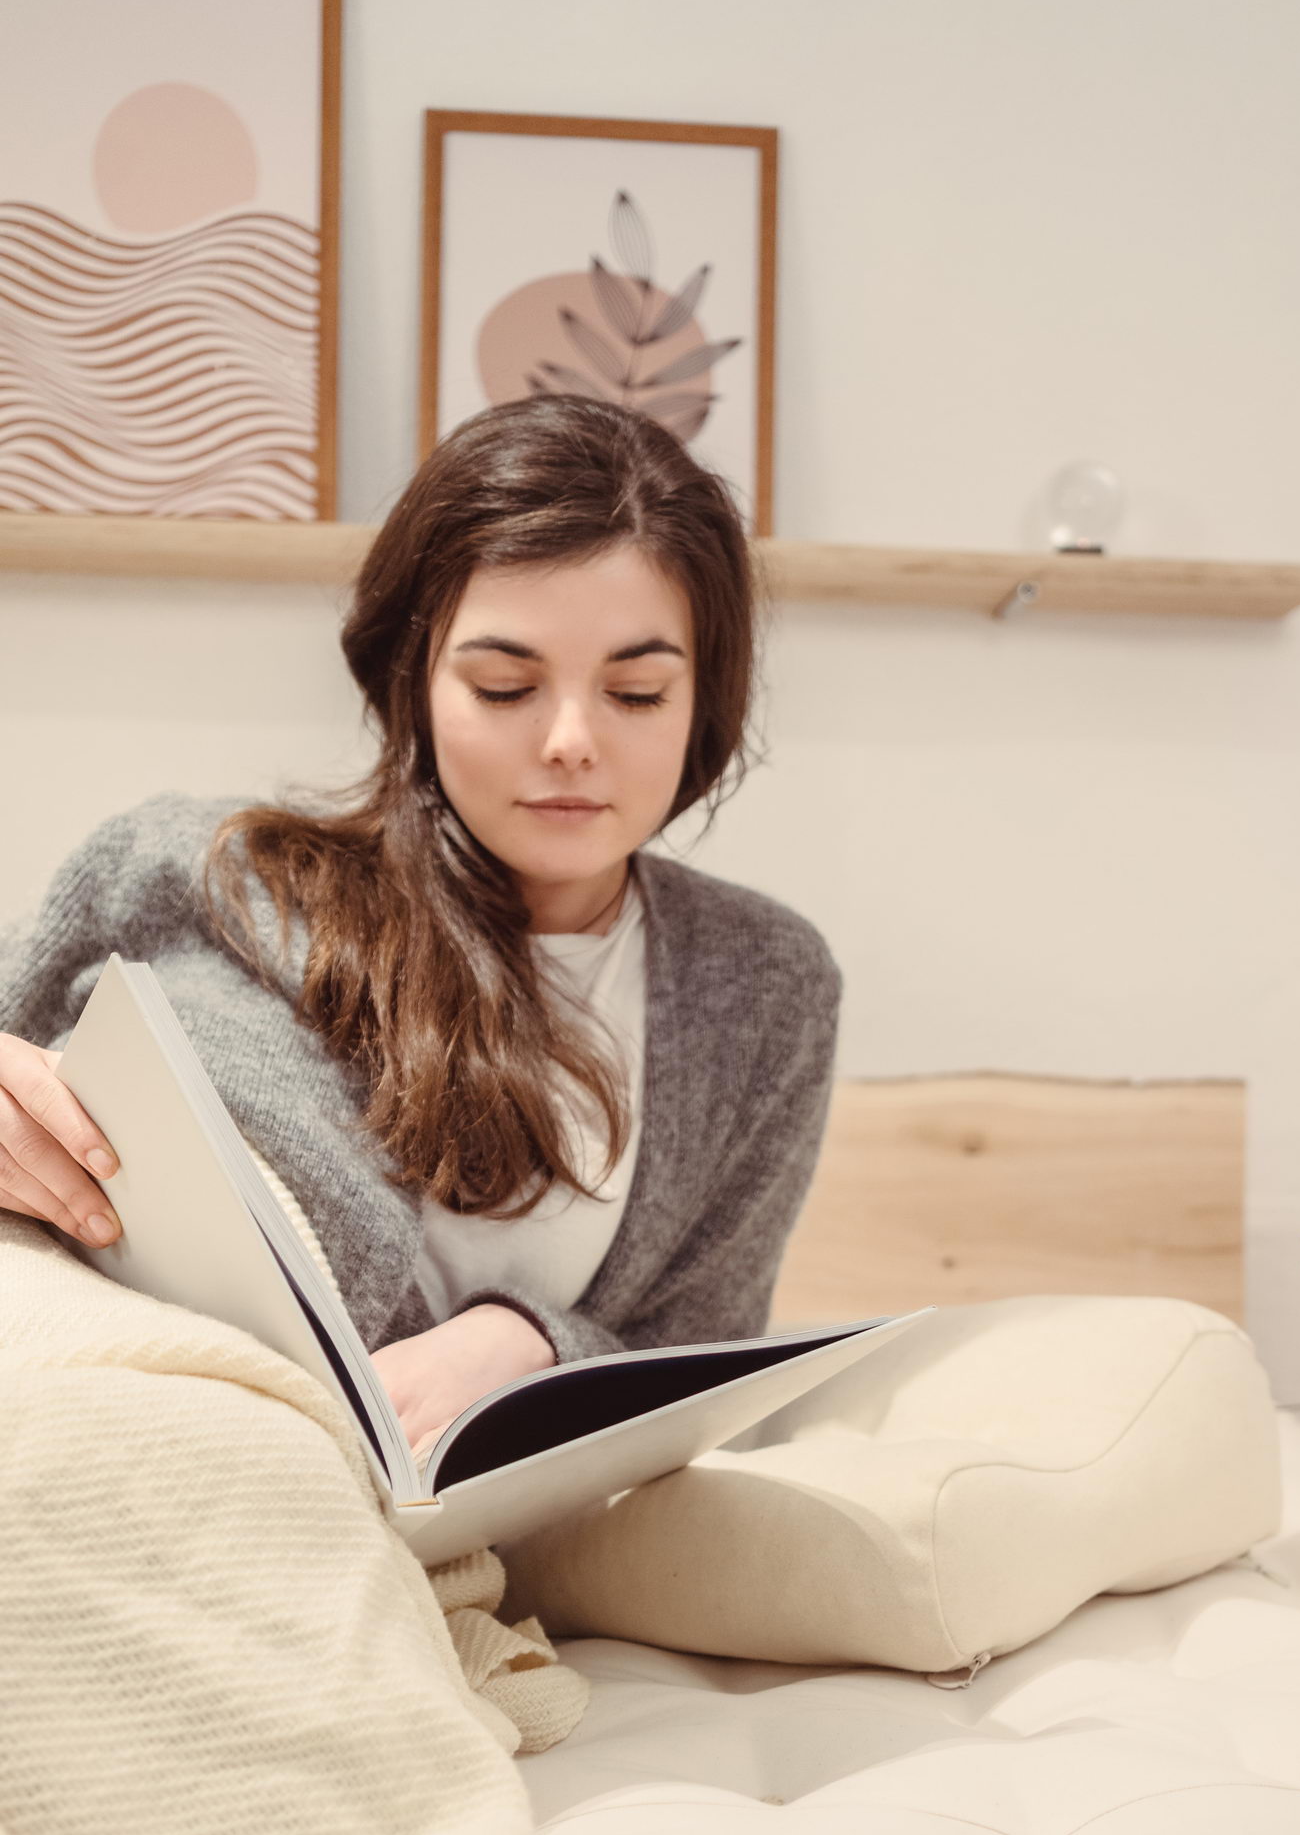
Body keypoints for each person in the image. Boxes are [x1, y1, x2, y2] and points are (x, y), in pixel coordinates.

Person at [0, 393, 842, 1457]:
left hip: (465, 1525)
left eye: (635, 693)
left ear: (702, 705)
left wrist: (523, 1345)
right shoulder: (202, 874)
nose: (572, 740)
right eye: (504, 687)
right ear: (416, 683)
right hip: (132, 1431)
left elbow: (698, 1355)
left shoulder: (765, 988)